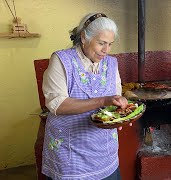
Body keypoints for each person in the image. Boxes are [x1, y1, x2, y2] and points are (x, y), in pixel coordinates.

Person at [42, 13, 128, 179]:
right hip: (70, 153)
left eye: (110, 44)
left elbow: (115, 99)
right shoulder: (61, 60)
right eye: (101, 43)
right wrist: (102, 100)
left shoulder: (111, 63)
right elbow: (58, 104)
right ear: (83, 37)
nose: (106, 50)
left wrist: (122, 114)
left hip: (104, 151)